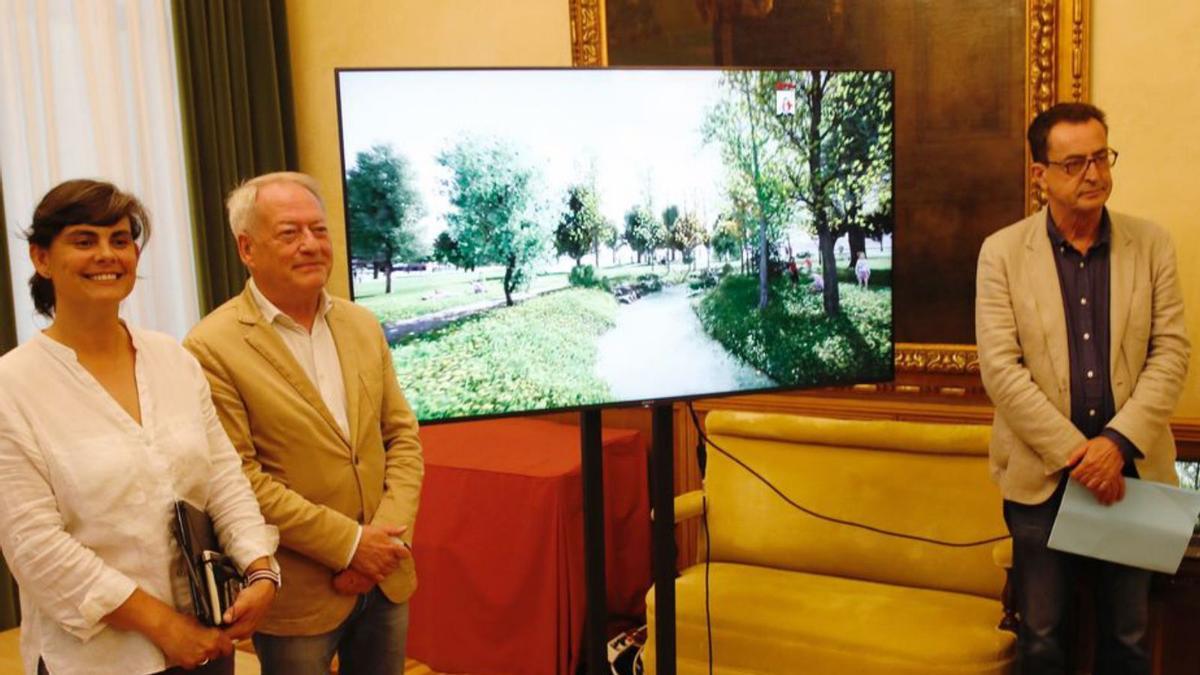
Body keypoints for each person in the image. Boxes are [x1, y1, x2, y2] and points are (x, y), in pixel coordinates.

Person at [0, 179, 280, 675]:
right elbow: (35, 545)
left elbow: (222, 477)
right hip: (98, 659)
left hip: (207, 639)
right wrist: (164, 628)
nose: (107, 254)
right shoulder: (12, 385)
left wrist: (260, 568)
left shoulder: (172, 358)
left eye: (121, 239)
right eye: (84, 240)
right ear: (42, 259)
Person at [975, 103, 1190, 674]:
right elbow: (1001, 370)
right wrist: (1079, 453)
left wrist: (1114, 445)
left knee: (1129, 639)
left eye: (1101, 157)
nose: (1093, 174)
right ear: (1040, 173)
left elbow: (1171, 352)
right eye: (1074, 163)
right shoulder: (1001, 253)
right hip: (1040, 480)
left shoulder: (1152, 245)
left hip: (1133, 476)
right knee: (1043, 640)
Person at [183, 172, 424, 675]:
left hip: (385, 573)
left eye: (319, 230)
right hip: (297, 594)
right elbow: (241, 479)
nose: (311, 245)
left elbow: (400, 436)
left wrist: (383, 542)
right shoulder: (211, 346)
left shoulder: (362, 325)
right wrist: (351, 546)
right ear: (247, 248)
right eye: (290, 233)